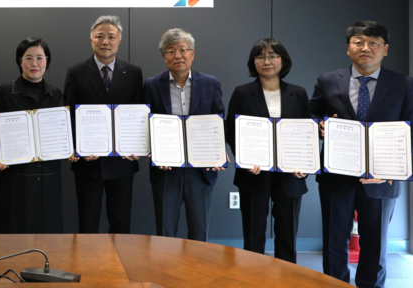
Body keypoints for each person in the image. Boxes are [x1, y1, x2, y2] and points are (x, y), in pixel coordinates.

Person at [311, 21, 413, 288]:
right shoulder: (328, 79)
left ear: (385, 49)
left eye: (373, 43)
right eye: (358, 42)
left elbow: (410, 128)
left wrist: (393, 170)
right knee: (334, 243)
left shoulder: (403, 84)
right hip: (336, 175)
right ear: (348, 48)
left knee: (375, 246)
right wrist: (318, 125)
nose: (365, 48)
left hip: (382, 178)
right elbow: (312, 113)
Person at [225, 39, 310, 262]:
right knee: (253, 234)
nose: (267, 61)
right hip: (254, 173)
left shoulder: (298, 93)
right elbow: (231, 131)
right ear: (253, 62)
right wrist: (243, 160)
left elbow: (307, 133)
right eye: (260, 56)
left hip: (290, 175)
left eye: (273, 56)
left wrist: (305, 166)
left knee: (287, 234)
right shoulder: (242, 93)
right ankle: (254, 277)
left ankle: (287, 277)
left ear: (283, 60)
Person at [143, 28, 225, 242]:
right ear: (164, 57)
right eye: (171, 51)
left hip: (201, 170)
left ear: (192, 53)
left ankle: (196, 266)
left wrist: (220, 150)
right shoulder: (152, 85)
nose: (177, 55)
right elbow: (146, 123)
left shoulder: (210, 83)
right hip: (166, 170)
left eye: (183, 50)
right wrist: (153, 150)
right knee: (165, 233)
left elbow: (219, 120)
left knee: (199, 233)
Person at [64, 15, 143, 234]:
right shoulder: (76, 72)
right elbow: (69, 114)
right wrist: (76, 148)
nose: (105, 42)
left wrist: (138, 147)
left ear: (119, 41)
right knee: (88, 224)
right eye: (100, 36)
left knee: (121, 224)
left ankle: (119, 258)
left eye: (111, 37)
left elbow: (138, 115)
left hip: (123, 161)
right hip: (88, 163)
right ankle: (87, 257)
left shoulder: (133, 72)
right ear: (91, 39)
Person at [0, 37, 65, 233]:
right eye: (29, 58)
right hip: (15, 179)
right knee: (13, 233)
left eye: (40, 58)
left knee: (48, 234)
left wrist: (72, 149)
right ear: (20, 60)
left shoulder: (56, 94)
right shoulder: (5, 92)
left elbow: (63, 132)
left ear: (47, 60)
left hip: (48, 177)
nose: (35, 63)